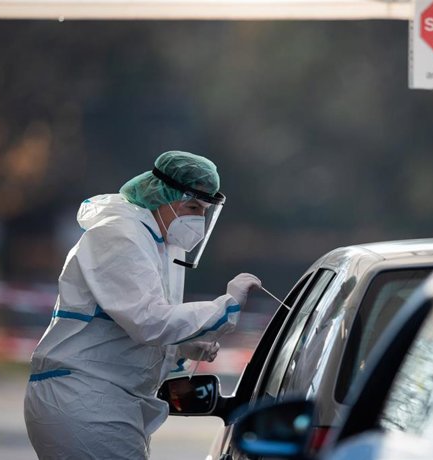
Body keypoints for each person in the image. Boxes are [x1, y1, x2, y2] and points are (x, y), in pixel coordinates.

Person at [23, 150, 262, 459]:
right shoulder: (120, 236)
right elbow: (148, 321)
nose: (198, 220)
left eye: (205, 211)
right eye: (192, 207)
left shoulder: (157, 243)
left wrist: (181, 346)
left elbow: (123, 325)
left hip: (103, 399)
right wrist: (225, 306)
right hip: (84, 400)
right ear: (161, 196)